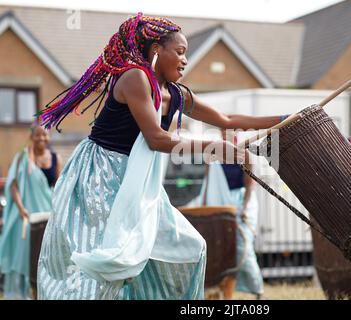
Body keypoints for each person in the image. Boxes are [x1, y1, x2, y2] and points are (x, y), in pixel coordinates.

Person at [36, 14, 286, 300]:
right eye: (179, 52)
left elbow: (227, 119)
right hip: (101, 175)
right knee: (108, 261)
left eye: (186, 54)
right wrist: (215, 148)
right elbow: (156, 138)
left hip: (140, 182)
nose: (185, 60)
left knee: (192, 248)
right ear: (156, 50)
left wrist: (285, 118)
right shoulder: (134, 78)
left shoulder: (176, 94)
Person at [199, 130, 264, 299]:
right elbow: (207, 182)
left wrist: (244, 207)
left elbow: (249, 185)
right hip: (218, 203)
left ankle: (257, 291)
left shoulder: (245, 154)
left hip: (240, 203)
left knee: (243, 247)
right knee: (219, 248)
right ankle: (221, 291)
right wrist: (204, 204)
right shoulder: (214, 153)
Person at [0, 125, 61, 299]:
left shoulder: (55, 157)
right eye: (38, 135)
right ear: (32, 137)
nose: (42, 138)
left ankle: (46, 291)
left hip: (48, 215)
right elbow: (13, 185)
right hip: (27, 216)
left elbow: (58, 187)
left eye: (45, 135)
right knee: (28, 258)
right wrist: (21, 209)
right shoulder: (23, 157)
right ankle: (28, 294)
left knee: (47, 255)